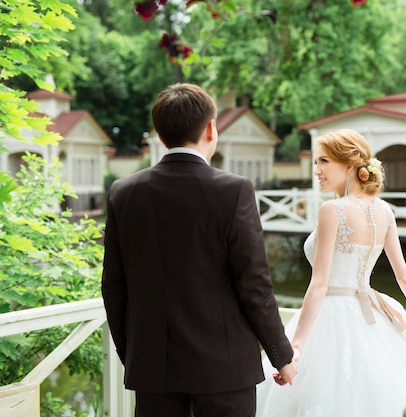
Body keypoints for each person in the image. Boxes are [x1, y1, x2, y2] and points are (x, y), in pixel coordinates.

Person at [102, 83, 296, 417]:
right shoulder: (233, 191)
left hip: (152, 371)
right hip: (225, 370)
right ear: (210, 129)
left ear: (161, 136)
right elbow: (254, 286)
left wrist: (135, 354)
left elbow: (114, 288)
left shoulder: (123, 192)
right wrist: (282, 355)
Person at [256, 129, 406, 417]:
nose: (317, 170)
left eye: (324, 161)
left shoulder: (331, 209)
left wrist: (295, 347)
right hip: (372, 315)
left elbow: (320, 283)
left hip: (331, 314)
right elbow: (403, 275)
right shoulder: (384, 211)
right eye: (316, 162)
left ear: (349, 166)